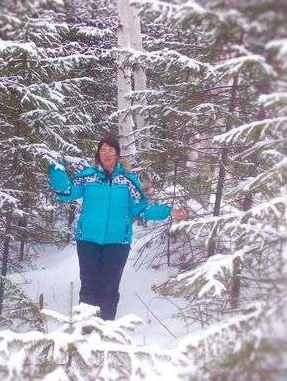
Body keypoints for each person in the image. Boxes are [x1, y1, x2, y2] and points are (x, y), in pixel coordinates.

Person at [48, 134, 186, 321]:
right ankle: (86, 328)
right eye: (102, 150)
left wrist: (168, 211)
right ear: (98, 154)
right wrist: (56, 172)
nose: (106, 154)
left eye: (111, 150)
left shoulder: (128, 181)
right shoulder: (88, 177)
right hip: (87, 239)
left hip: (117, 243)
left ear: (118, 154)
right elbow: (66, 192)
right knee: (88, 285)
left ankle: (106, 329)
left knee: (110, 287)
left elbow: (141, 209)